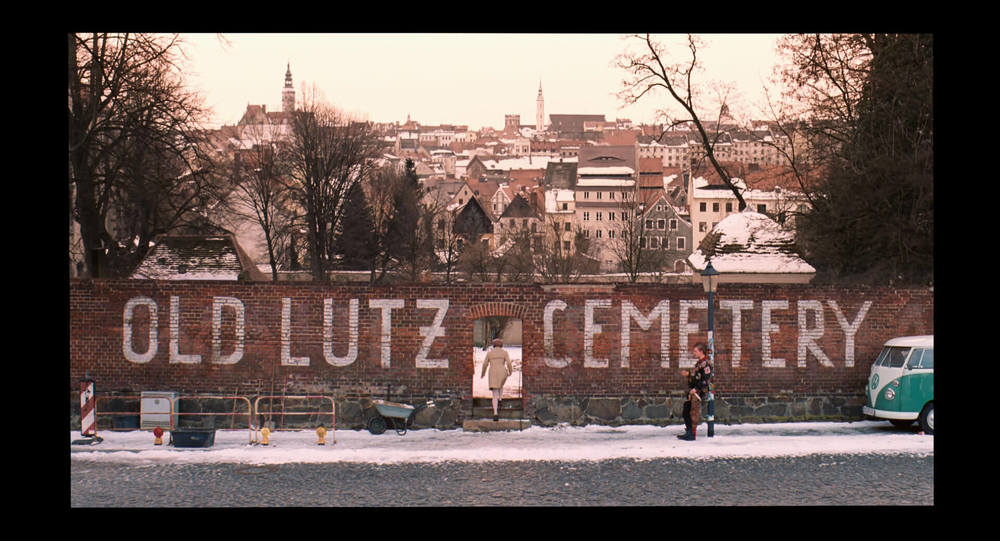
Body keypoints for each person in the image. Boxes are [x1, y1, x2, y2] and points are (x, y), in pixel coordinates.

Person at [678, 341, 712, 441]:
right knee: (686, 410)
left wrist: (696, 389)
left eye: (696, 351)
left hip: (698, 392)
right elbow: (696, 376)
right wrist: (688, 374)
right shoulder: (699, 363)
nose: (694, 353)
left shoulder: (706, 364)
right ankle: (689, 431)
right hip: (693, 391)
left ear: (701, 351)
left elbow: (706, 380)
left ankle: (692, 434)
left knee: (693, 412)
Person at [481, 338, 513, 421]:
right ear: (501, 345)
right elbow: (509, 363)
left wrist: (483, 373)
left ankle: (495, 413)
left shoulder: (490, 353)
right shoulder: (504, 353)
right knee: (501, 384)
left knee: (494, 392)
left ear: (493, 345)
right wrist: (510, 371)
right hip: (502, 370)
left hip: (493, 372)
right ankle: (501, 398)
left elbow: (485, 364)